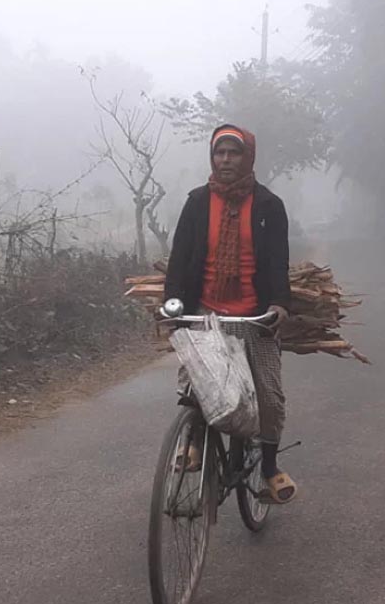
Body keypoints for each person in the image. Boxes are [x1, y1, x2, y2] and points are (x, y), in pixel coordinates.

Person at [163, 123, 296, 504]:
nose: (225, 160)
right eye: (219, 153)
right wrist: (174, 304)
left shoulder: (269, 206)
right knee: (197, 385)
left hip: (254, 316)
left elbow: (277, 264)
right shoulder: (197, 202)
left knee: (269, 396)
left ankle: (269, 469)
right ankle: (194, 441)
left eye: (233, 153)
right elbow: (179, 260)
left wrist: (278, 305)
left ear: (247, 157)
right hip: (206, 311)